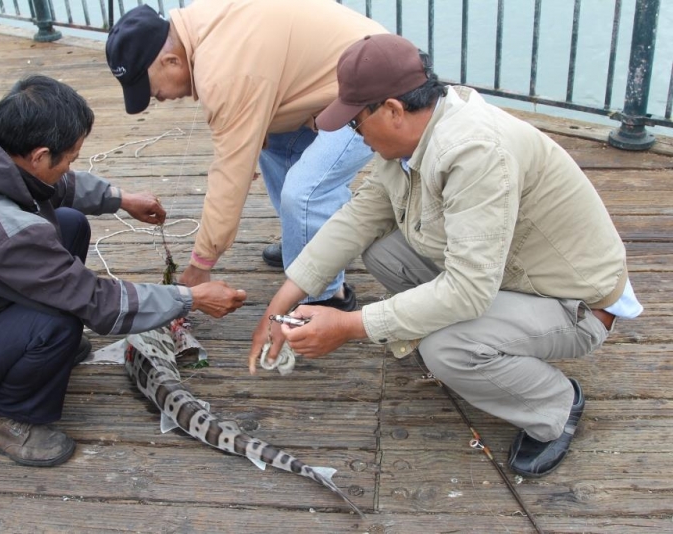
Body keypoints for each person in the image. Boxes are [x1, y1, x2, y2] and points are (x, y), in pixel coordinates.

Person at [248, 34, 643, 478]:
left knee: (446, 347)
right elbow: (358, 217)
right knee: (382, 248)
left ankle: (556, 405)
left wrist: (349, 326)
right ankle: (473, 344)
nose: (353, 134)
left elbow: (469, 291)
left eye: (356, 124)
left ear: (394, 110)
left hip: (577, 304)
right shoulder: (421, 132)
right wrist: (278, 305)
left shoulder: (475, 152)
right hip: (512, 277)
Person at [0, 75, 247, 468]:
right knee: (60, 320)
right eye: (69, 158)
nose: (69, 167)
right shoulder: (2, 228)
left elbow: (53, 187)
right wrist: (190, 299)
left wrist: (120, 199)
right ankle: (2, 418)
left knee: (70, 223)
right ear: (39, 155)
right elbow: (97, 302)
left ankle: (27, 351)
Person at [105, 0, 388, 310]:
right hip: (331, 81)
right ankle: (305, 241)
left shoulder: (222, 73)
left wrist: (201, 264)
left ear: (171, 61)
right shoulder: (202, 22)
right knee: (272, 142)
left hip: (373, 96)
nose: (162, 99)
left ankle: (325, 294)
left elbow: (230, 175)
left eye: (155, 93)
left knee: (306, 192)